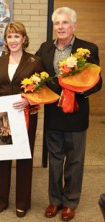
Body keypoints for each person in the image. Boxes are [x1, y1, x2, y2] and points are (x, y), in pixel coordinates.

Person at [36, 7, 102, 221]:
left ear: (74, 25)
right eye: (57, 23)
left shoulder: (88, 49)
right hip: (53, 114)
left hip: (76, 114)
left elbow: (97, 82)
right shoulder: (45, 48)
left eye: (65, 23)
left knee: (74, 160)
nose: (61, 27)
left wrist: (78, 89)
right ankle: (55, 201)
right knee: (55, 160)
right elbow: (32, 71)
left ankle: (70, 202)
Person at [0, 21, 43, 218]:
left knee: (24, 159)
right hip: (4, 117)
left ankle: (23, 203)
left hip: (27, 115)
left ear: (24, 39)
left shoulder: (35, 61)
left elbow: (42, 90)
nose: (13, 40)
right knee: (4, 159)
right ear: (5, 40)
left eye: (17, 36)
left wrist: (29, 101)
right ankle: (1, 201)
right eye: (9, 36)